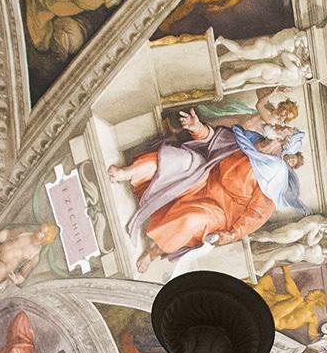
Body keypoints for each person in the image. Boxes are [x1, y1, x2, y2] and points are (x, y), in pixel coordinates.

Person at [122, 101, 301, 258]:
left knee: (194, 218)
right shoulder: (247, 140)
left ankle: (154, 251)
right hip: (203, 177)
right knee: (177, 160)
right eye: (279, 128)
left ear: (282, 149)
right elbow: (215, 140)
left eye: (282, 135)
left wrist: (232, 234)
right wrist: (197, 128)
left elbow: (256, 214)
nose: (278, 129)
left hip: (220, 210)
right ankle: (129, 173)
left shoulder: (272, 179)